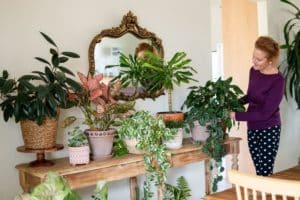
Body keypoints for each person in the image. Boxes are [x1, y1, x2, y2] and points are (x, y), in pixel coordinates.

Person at [229, 36, 285, 176]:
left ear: (270, 61)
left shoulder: (278, 81)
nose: (254, 61)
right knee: (259, 169)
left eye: (259, 59)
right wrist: (233, 103)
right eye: (254, 56)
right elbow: (251, 96)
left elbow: (265, 113)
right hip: (252, 128)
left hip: (269, 129)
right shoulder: (253, 71)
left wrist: (236, 115)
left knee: (265, 172)